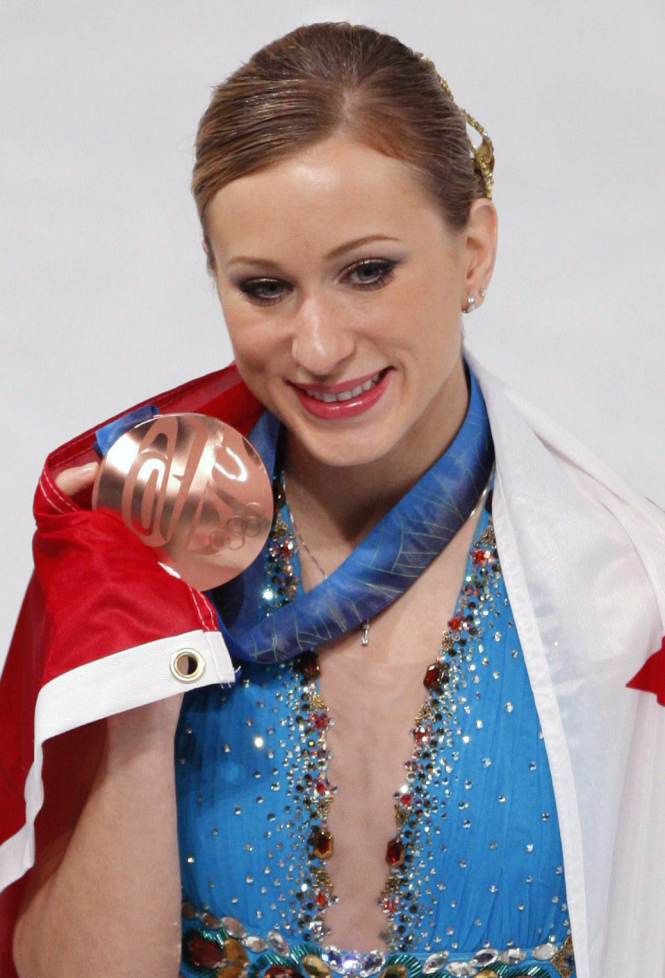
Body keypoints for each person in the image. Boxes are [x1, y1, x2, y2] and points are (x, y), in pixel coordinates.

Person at [2, 20, 664, 978]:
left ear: (473, 251)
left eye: (367, 272)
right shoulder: (138, 561)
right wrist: (139, 638)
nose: (317, 347)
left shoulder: (628, 602)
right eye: (265, 288)